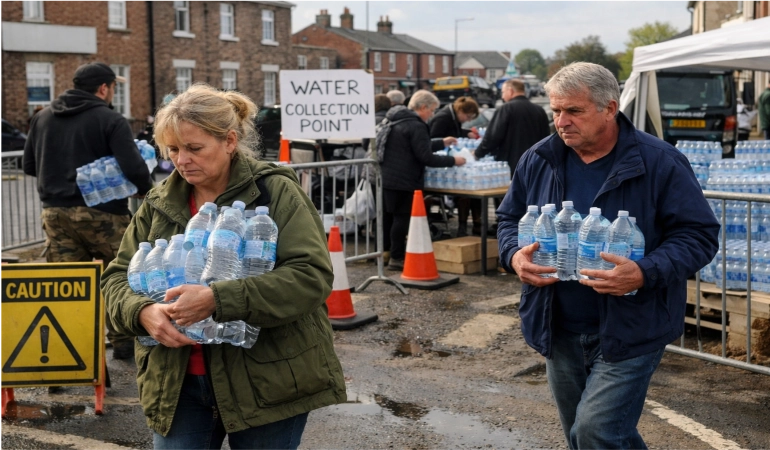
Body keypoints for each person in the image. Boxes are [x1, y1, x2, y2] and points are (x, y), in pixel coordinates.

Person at [101, 84, 345, 449]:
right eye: (173, 149)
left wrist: (217, 299)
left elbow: (311, 276)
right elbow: (116, 278)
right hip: (177, 382)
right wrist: (142, 312)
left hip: (267, 379)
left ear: (230, 141)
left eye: (194, 148)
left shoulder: (274, 192)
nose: (182, 160)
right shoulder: (158, 202)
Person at [496, 62, 719, 449]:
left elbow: (699, 234)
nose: (561, 122)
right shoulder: (539, 158)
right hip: (557, 324)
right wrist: (514, 256)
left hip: (632, 325)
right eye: (556, 110)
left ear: (610, 108)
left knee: (596, 431)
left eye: (574, 111)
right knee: (585, 436)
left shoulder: (659, 161)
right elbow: (508, 219)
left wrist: (644, 272)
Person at [23, 62, 154, 362]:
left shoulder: (42, 117)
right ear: (104, 88)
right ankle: (122, 343)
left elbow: (29, 166)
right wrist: (144, 188)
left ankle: (67, 349)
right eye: (114, 87)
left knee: (69, 284)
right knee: (118, 276)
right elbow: (133, 166)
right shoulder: (110, 119)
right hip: (103, 214)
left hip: (55, 214)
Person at [380, 90, 466, 271]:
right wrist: (453, 161)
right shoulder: (416, 125)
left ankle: (385, 254)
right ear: (423, 107)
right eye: (432, 110)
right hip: (405, 179)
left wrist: (442, 142)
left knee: (388, 217)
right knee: (402, 218)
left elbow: (418, 146)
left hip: (387, 176)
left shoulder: (397, 118)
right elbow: (426, 156)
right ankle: (397, 258)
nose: (432, 115)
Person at [428, 96, 481, 236]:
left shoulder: (452, 117)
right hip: (441, 166)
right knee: (464, 193)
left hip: (449, 162)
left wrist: (466, 133)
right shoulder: (443, 118)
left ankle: (474, 225)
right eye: (468, 116)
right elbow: (433, 140)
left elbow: (454, 133)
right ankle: (463, 227)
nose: (468, 120)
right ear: (460, 111)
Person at [475, 78, 551, 174]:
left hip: (510, 165)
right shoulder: (539, 110)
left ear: (510, 91)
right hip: (535, 164)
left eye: (503, 92)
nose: (502, 96)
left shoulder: (506, 109)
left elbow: (493, 137)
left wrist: (478, 153)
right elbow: (546, 138)